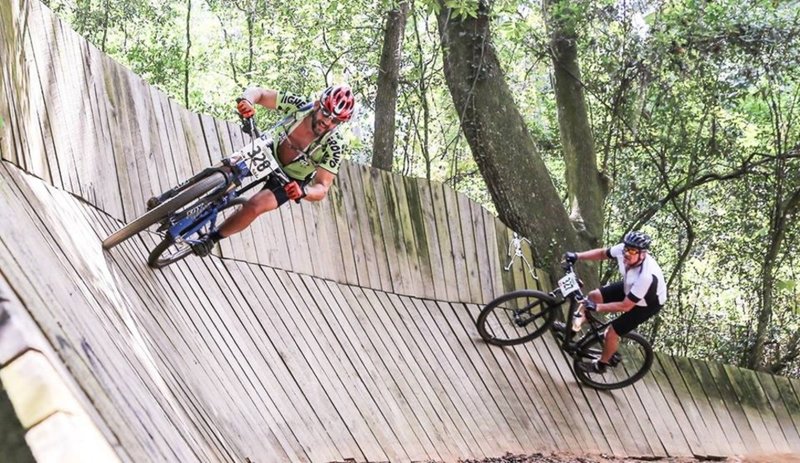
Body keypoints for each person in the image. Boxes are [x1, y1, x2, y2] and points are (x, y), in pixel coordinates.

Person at [191, 84, 356, 256]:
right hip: (268, 150)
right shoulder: (299, 106)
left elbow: (322, 187)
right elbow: (260, 93)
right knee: (228, 168)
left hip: (291, 179)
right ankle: (180, 196)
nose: (328, 122)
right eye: (326, 113)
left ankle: (211, 239)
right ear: (316, 105)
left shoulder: (335, 145)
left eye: (336, 121)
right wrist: (247, 101)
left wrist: (303, 192)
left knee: (255, 206)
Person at [562, 231, 667, 374]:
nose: (627, 253)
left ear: (642, 254)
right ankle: (573, 328)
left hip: (647, 304)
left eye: (632, 251)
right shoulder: (624, 250)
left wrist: (597, 307)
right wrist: (577, 256)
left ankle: (601, 365)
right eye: (626, 249)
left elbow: (625, 306)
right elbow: (602, 254)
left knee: (611, 333)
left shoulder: (646, 277)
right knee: (593, 296)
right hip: (630, 288)